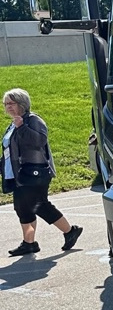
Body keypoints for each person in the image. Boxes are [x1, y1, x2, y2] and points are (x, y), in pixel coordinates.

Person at [2, 89, 83, 256]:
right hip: (19, 173)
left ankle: (70, 231)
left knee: (39, 205)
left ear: (22, 103)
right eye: (6, 104)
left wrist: (22, 127)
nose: (8, 107)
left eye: (11, 103)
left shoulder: (33, 120)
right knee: (22, 207)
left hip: (35, 171)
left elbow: (39, 141)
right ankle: (29, 243)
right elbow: (9, 151)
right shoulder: (13, 124)